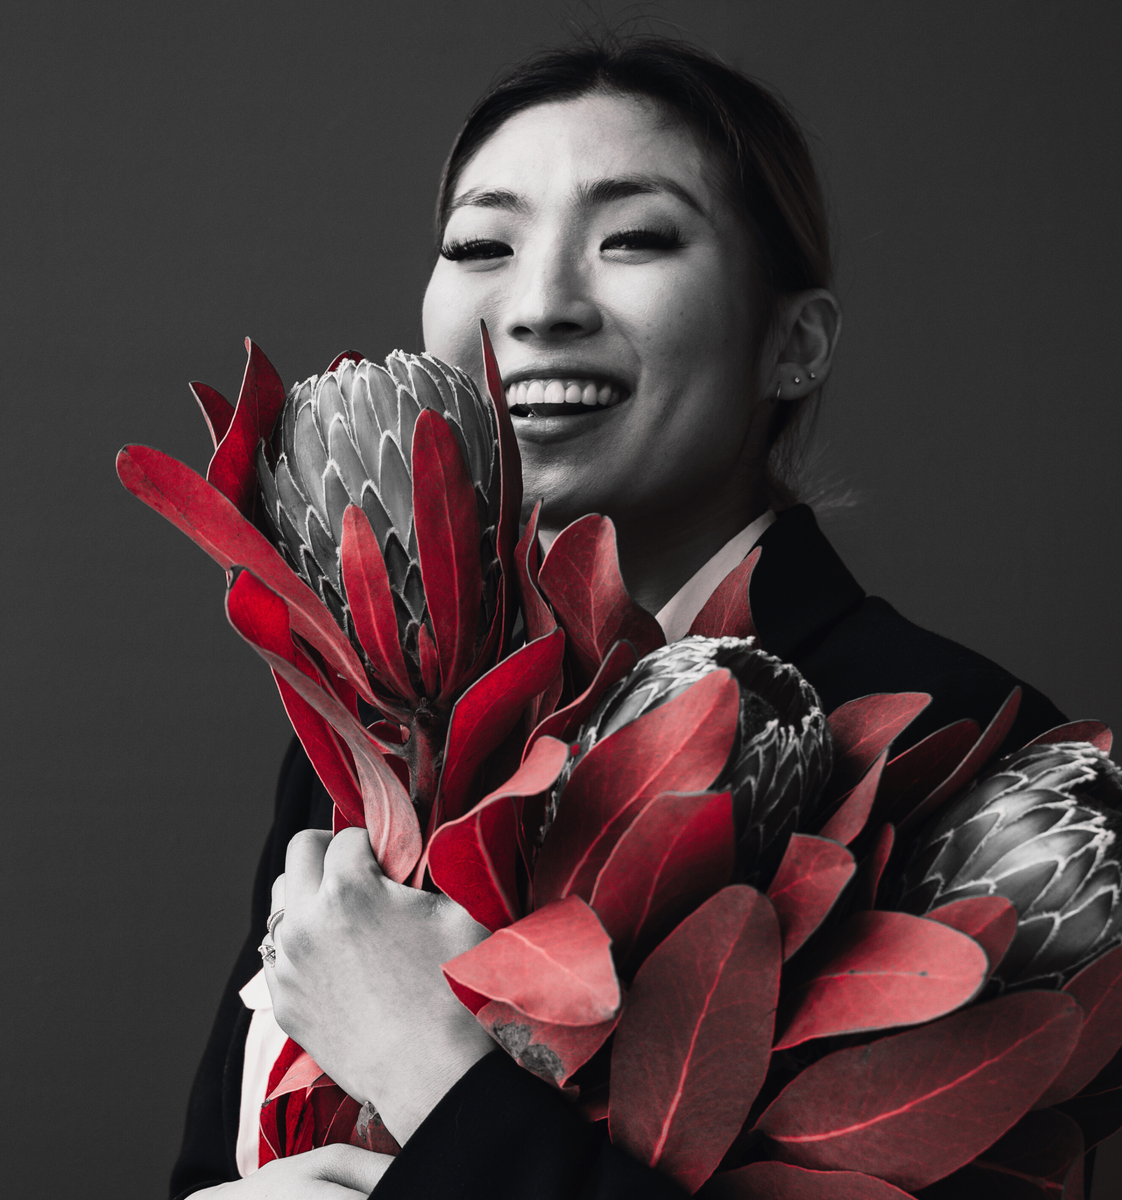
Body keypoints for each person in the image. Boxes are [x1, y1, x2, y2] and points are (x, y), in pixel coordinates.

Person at [171, 36, 1068, 1200]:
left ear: (795, 343)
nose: (539, 306)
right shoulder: (361, 726)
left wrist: (436, 1079)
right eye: (483, 244)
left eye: (636, 237)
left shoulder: (967, 757)